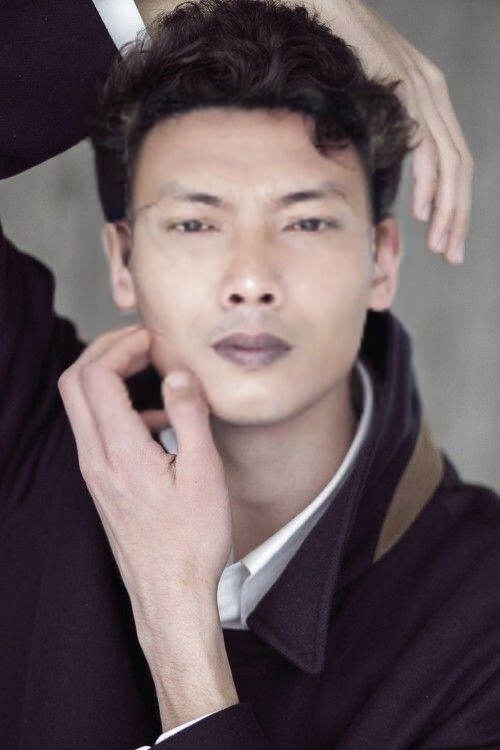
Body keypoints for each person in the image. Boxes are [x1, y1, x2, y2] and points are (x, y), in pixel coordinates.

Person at [0, 1, 496, 749]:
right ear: (124, 261)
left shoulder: (483, 629)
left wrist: (179, 624)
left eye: (305, 221)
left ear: (381, 262)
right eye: (196, 223)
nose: (251, 280)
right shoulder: (30, 431)